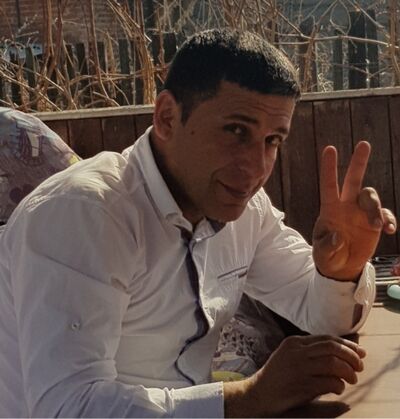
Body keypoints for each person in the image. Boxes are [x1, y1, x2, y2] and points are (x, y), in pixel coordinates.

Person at [0, 28, 397, 418]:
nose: (256, 167)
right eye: (236, 131)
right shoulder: (83, 214)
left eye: (273, 140)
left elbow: (321, 314)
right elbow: (68, 408)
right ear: (167, 118)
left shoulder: (245, 209)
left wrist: (340, 272)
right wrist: (248, 396)